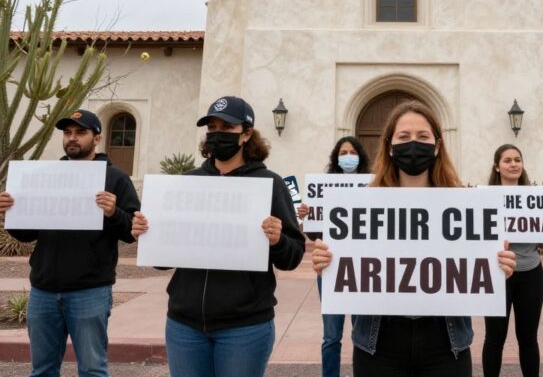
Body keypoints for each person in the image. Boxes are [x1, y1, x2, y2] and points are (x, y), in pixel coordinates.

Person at [312, 101, 517, 377]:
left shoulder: (464, 204)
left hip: (446, 341)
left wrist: (496, 266)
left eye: (422, 137)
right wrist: (328, 260)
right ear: (389, 145)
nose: (413, 144)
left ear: (436, 146)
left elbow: (474, 269)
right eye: (404, 137)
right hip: (378, 341)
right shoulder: (362, 205)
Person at [131, 96, 305, 377]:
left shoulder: (269, 183)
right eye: (212, 127)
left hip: (245, 328)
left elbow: (293, 256)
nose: (217, 134)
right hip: (184, 325)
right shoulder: (187, 183)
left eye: (227, 127)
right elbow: (163, 262)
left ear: (247, 134)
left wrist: (278, 239)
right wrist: (148, 235)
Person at [0, 109, 140, 377]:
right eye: (67, 133)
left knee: (92, 369)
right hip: (44, 289)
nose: (72, 138)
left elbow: (132, 231)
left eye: (80, 132)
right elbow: (27, 234)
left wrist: (114, 213)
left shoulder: (116, 179)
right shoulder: (46, 176)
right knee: (42, 370)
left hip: (90, 290)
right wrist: (11, 213)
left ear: (97, 138)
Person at [482, 144, 543, 377]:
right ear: (497, 166)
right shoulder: (485, 197)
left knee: (528, 338)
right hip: (497, 274)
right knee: (494, 338)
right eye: (507, 160)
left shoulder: (536, 198)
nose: (514, 164)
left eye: (518, 159)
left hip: (530, 273)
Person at [296, 136, 371, 377]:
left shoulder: (375, 185)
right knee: (331, 336)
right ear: (336, 158)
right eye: (343, 152)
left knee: (362, 334)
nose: (348, 156)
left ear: (360, 155)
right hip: (330, 268)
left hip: (363, 269)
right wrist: (308, 216)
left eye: (352, 151)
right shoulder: (323, 187)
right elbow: (316, 236)